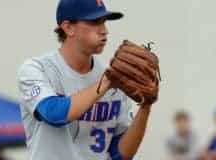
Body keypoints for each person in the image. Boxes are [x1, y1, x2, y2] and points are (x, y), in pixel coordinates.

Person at [17, 0, 154, 160]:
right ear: (68, 27)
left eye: (104, 22)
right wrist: (107, 82)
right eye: (95, 22)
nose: (104, 31)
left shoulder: (112, 77)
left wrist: (145, 107)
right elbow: (54, 114)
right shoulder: (36, 69)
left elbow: (121, 154)